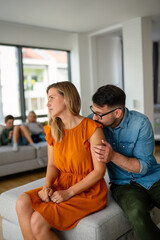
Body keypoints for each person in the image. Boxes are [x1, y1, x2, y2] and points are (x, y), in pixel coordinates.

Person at [16, 81, 108, 240]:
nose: (47, 103)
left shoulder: (92, 129)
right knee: (22, 201)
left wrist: (68, 193)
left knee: (37, 222)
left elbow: (100, 171)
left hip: (88, 191)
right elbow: (52, 165)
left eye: (52, 97)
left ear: (67, 99)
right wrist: (46, 186)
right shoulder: (52, 130)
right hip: (62, 183)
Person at [89, 84, 160, 240]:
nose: (94, 117)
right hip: (123, 185)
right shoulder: (92, 122)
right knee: (136, 214)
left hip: (153, 177)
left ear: (117, 112)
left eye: (99, 114)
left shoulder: (140, 123)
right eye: (93, 111)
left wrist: (113, 156)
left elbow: (143, 167)